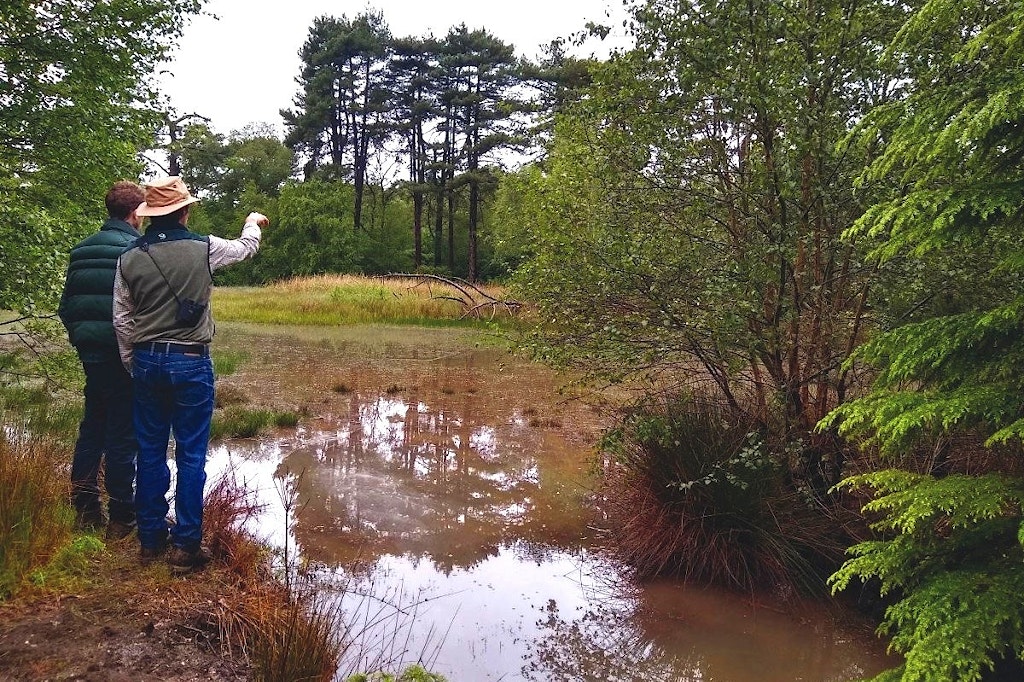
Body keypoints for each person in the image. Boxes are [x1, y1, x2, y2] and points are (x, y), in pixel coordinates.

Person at [112, 175, 268, 574]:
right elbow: (246, 248)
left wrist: (135, 362)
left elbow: (122, 319)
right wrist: (252, 221)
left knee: (149, 453)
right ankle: (186, 546)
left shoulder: (128, 257)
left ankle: (149, 540)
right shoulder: (205, 248)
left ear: (149, 215)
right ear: (184, 211)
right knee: (191, 454)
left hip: (146, 361)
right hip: (192, 361)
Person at [58, 181, 146, 540]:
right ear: (136, 213)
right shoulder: (134, 249)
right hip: (121, 352)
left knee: (92, 426)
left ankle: (84, 507)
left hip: (90, 352)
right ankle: (122, 514)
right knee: (123, 431)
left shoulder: (81, 250)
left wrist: (81, 339)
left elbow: (67, 306)